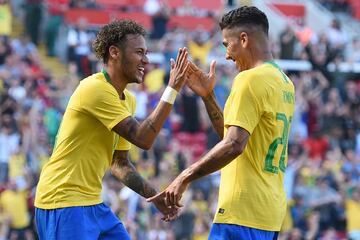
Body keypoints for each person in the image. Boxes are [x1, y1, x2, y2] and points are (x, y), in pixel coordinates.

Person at [148, 6, 295, 240]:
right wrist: (208, 97)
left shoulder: (249, 79)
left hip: (241, 213)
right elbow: (234, 137)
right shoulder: (284, 82)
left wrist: (184, 176)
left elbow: (234, 145)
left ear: (244, 39)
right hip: (269, 214)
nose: (226, 54)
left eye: (227, 44)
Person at [34, 20, 189, 239]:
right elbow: (143, 139)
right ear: (114, 52)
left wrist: (155, 195)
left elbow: (119, 164)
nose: (146, 60)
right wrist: (172, 89)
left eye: (146, 53)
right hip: (62, 201)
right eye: (139, 52)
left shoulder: (128, 100)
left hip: (93, 203)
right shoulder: (95, 88)